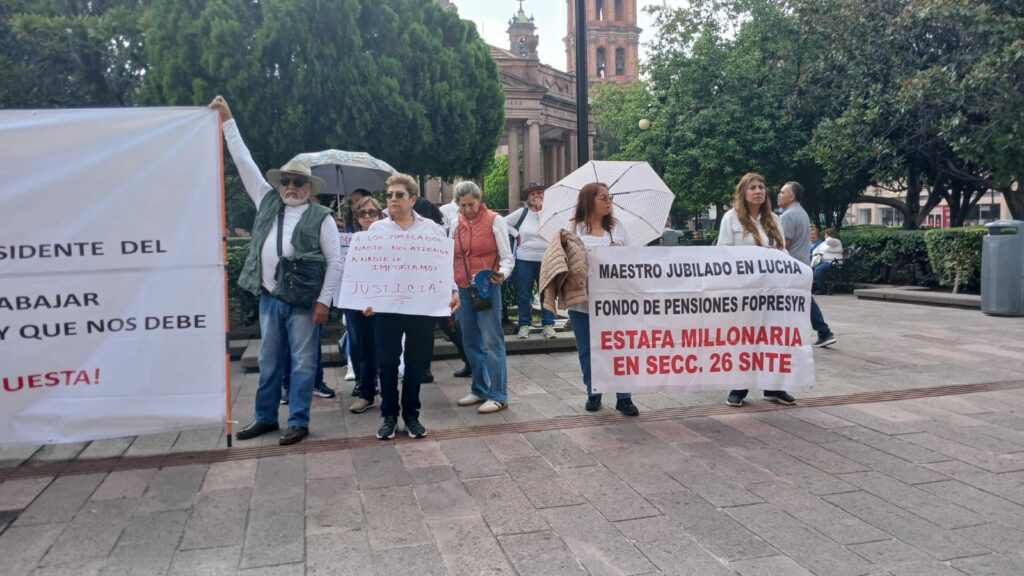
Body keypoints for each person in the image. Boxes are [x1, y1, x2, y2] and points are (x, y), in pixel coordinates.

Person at [209, 96, 342, 446]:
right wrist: (228, 121)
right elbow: (243, 161)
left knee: (302, 363)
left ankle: (298, 420)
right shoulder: (266, 200)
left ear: (309, 187)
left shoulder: (322, 218)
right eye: (286, 181)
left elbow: (336, 262)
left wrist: (324, 302)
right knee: (268, 362)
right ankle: (266, 417)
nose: (291, 187)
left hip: (304, 302)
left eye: (298, 182)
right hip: (270, 297)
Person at [368, 173, 459, 439]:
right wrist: (365, 300)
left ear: (413, 199)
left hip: (421, 306)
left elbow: (443, 265)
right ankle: (388, 416)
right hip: (387, 307)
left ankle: (411, 416)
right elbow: (369, 269)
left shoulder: (432, 230)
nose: (393, 200)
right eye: (389, 195)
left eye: (399, 195)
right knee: (387, 363)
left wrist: (453, 290)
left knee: (416, 363)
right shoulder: (377, 230)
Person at [718, 173, 792, 408]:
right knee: (745, 338)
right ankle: (739, 386)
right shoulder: (731, 218)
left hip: (771, 290)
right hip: (744, 291)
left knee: (772, 338)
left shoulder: (773, 219)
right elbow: (723, 254)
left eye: (761, 187)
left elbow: (784, 251)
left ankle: (773, 387)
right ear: (743, 192)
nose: (758, 191)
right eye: (753, 188)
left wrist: (776, 253)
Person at [566, 182, 640, 416]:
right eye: (603, 198)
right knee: (587, 349)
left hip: (613, 301)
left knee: (619, 347)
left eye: (610, 198)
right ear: (589, 201)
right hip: (583, 300)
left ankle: (624, 396)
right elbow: (566, 261)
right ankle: (593, 391)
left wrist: (620, 252)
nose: (608, 202)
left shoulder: (617, 228)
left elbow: (634, 260)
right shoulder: (574, 229)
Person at [451, 181, 514, 414]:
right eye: (463, 205)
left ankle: (498, 395)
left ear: (480, 200)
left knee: (491, 340)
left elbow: (507, 257)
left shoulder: (495, 220)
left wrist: (502, 273)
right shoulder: (455, 224)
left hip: (487, 286)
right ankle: (479, 388)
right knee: (469, 339)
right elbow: (451, 257)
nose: (467, 209)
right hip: (463, 287)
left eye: (471, 204)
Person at [414, 196, 472, 380]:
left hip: (434, 286)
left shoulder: (433, 231)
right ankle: (469, 361)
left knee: (439, 328)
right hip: (434, 285)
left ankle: (425, 370)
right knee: (447, 328)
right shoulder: (438, 229)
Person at [345, 195, 384, 413]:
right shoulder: (350, 241)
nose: (367, 217)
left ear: (380, 215)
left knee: (385, 348)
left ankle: (387, 394)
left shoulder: (390, 239)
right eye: (362, 213)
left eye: (372, 212)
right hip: (357, 301)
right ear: (357, 217)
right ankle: (366, 392)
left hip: (383, 301)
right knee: (364, 347)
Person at [506, 184, 557, 339]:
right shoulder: (522, 213)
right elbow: (501, 222)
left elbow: (555, 230)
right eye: (533, 194)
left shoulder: (551, 213)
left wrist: (543, 212)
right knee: (524, 293)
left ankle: (548, 324)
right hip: (524, 258)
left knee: (547, 292)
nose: (536, 196)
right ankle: (524, 325)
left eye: (539, 193)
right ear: (528, 198)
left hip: (546, 258)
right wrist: (515, 233)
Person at [811, 227, 844, 294]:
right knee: (810, 269)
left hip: (832, 262)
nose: (824, 236)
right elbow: (816, 250)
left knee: (818, 270)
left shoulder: (836, 241)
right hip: (822, 261)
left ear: (830, 235)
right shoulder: (824, 243)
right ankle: (811, 288)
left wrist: (828, 237)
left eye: (825, 234)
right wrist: (816, 254)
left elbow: (829, 241)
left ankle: (821, 289)